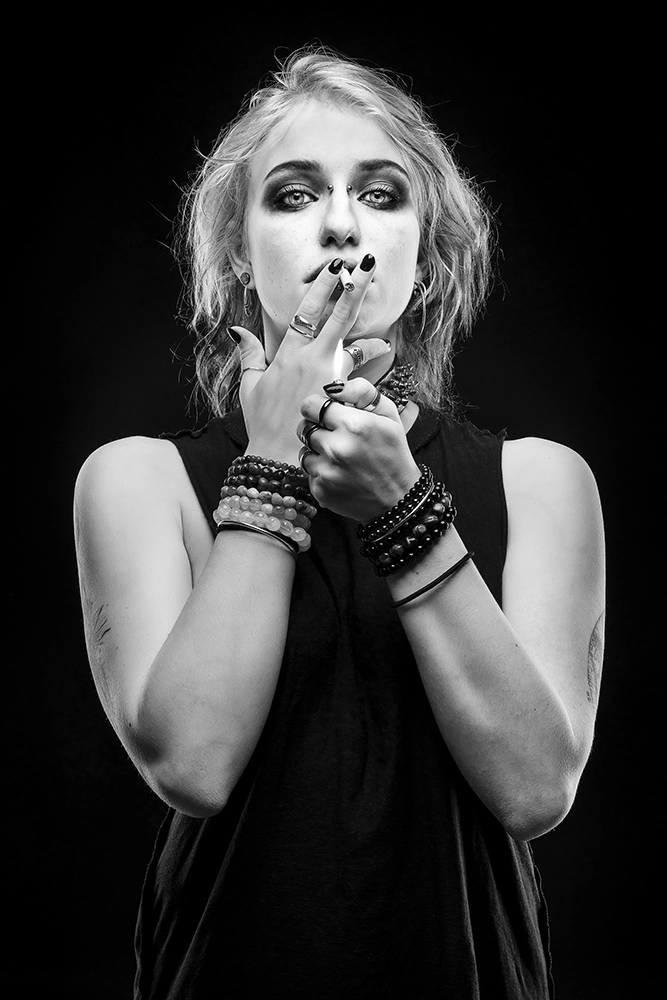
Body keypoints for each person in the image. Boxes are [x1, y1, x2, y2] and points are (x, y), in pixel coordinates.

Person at [74, 46, 606, 999]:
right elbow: (192, 764)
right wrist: (273, 458)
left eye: (380, 193)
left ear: (426, 259)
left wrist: (403, 508)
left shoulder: (540, 483)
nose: (339, 224)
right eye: (292, 195)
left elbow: (534, 790)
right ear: (238, 255)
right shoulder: (136, 481)